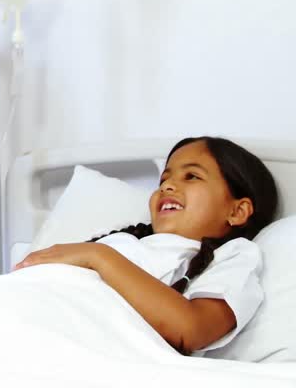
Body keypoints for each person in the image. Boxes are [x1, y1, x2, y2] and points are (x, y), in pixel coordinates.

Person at [15, 136, 279, 355]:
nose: (168, 186)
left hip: (63, 340)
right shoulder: (124, 242)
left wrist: (99, 257)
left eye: (191, 176)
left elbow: (192, 329)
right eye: (164, 180)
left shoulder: (233, 255)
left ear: (237, 211)